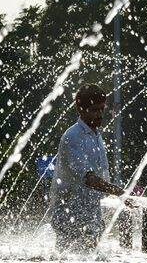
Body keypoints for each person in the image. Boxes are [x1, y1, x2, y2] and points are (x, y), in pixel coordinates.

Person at [49, 83, 131, 253]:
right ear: (80, 109)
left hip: (90, 210)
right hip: (69, 211)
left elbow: (100, 177)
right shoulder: (73, 137)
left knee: (88, 254)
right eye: (94, 110)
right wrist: (120, 193)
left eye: (102, 109)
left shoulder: (96, 135)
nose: (100, 114)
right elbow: (89, 178)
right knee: (69, 255)